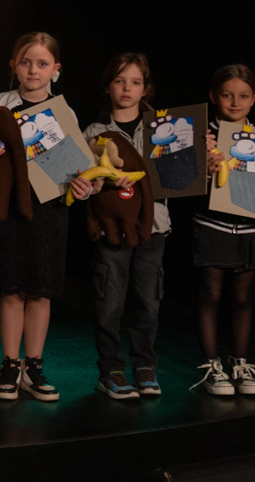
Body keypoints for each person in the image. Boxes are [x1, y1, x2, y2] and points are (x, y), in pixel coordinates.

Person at [0, 32, 92, 403]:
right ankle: (10, 365)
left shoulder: (63, 112)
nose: (33, 70)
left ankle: (33, 367)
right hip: (9, 207)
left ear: (56, 69)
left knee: (40, 290)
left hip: (49, 209)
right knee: (12, 288)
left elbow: (76, 169)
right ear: (14, 66)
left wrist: (83, 187)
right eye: (25, 62)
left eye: (42, 63)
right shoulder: (0, 103)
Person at [191, 65, 255, 396]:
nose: (235, 102)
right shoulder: (200, 135)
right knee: (211, 294)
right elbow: (183, 184)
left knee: (242, 297)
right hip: (212, 225)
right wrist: (205, 171)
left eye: (243, 96)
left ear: (254, 99)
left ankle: (241, 364)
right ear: (213, 97)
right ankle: (212, 366)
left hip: (251, 228)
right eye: (227, 95)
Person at [81, 53, 170, 399]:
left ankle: (145, 365)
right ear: (108, 87)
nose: (127, 88)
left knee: (148, 300)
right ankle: (110, 370)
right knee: (110, 300)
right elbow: (84, 183)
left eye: (135, 82)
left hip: (154, 227)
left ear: (146, 88)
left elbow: (181, 173)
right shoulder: (94, 133)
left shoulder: (165, 128)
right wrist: (101, 181)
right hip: (111, 229)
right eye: (119, 81)